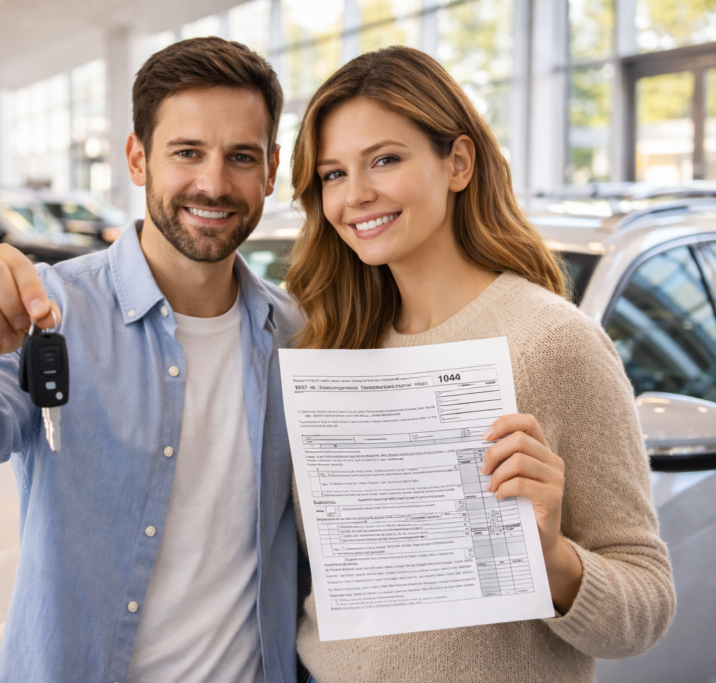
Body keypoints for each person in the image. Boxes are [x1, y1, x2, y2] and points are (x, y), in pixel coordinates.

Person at [0, 37, 302, 683]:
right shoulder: (47, 308)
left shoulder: (297, 334)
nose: (213, 182)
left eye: (240, 156)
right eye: (187, 152)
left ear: (270, 169)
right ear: (137, 157)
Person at [284, 46, 675, 682]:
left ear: (458, 163)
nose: (356, 195)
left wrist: (550, 558)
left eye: (384, 159)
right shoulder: (330, 349)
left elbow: (647, 604)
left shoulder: (552, 342)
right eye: (332, 174)